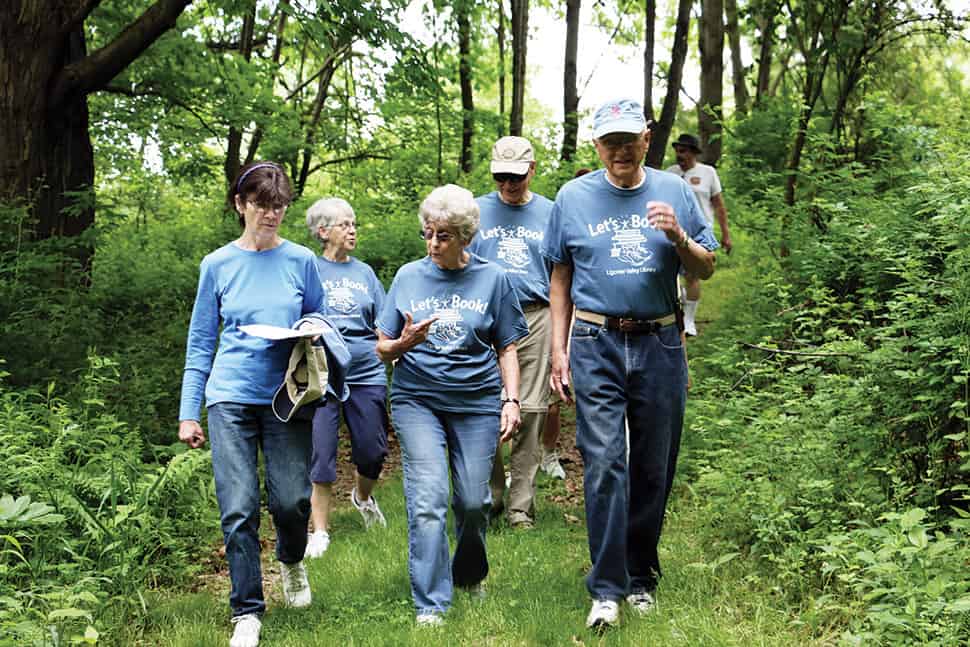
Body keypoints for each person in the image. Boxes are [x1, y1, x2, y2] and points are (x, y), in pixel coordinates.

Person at [542, 99, 719, 629]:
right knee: (602, 462)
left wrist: (678, 237)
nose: (620, 149)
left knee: (652, 464)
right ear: (596, 145)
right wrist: (557, 348)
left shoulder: (674, 192)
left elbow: (706, 267)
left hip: (659, 341)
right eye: (608, 140)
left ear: (647, 138)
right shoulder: (572, 197)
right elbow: (559, 278)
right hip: (595, 339)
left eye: (628, 138)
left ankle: (641, 575)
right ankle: (606, 588)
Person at [178, 162, 324, 647]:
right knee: (238, 508)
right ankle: (247, 611)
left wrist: (311, 331)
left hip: (286, 398)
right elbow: (201, 342)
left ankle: (291, 559)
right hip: (230, 398)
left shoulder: (302, 260)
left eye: (280, 205)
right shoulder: (216, 265)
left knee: (292, 501)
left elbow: (320, 323)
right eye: (262, 205)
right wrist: (187, 411)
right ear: (241, 204)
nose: (272, 214)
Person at [376, 184, 528, 626]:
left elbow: (507, 346)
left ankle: (469, 573)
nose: (433, 244)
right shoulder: (408, 276)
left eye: (443, 236)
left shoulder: (493, 278)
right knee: (428, 499)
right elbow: (381, 347)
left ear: (465, 236)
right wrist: (403, 342)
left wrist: (511, 399)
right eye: (428, 234)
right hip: (417, 398)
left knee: (475, 501)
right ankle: (431, 603)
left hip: (478, 400)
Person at [470, 136, 562, 527]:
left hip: (536, 315)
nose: (508, 184)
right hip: (486, 319)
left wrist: (562, 337)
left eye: (516, 177)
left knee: (532, 410)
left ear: (532, 170)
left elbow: (561, 276)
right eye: (501, 177)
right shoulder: (473, 210)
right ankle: (491, 495)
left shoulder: (551, 212)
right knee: (487, 410)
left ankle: (520, 505)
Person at [303, 198, 389, 559]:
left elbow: (384, 322)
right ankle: (319, 531)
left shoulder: (365, 273)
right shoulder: (310, 269)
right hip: (323, 373)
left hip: (367, 373)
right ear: (323, 232)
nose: (352, 230)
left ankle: (363, 497)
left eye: (354, 224)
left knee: (373, 450)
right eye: (344, 224)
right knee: (321, 453)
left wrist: (391, 346)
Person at [666, 133, 732, 336]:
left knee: (692, 275)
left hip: (699, 232)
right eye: (677, 150)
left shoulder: (708, 172)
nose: (680, 154)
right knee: (672, 275)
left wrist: (726, 234)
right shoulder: (670, 173)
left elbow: (718, 205)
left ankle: (689, 321)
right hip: (673, 230)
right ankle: (678, 308)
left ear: (694, 152)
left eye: (684, 150)